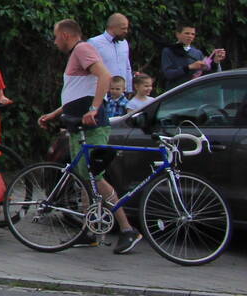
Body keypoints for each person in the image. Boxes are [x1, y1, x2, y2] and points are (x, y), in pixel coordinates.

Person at [37, 19, 140, 253]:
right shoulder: (78, 53)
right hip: (79, 126)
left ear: (65, 35)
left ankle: (127, 229)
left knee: (95, 176)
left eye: (56, 36)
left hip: (92, 126)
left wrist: (94, 109)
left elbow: (105, 76)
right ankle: (88, 230)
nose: (55, 41)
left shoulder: (82, 49)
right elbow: (78, 92)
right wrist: (55, 114)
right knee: (84, 177)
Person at [156, 24, 226, 92]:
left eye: (193, 34)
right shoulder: (168, 51)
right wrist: (189, 67)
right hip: (175, 93)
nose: (190, 36)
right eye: (187, 33)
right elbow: (168, 74)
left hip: (194, 93)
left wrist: (216, 61)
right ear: (178, 34)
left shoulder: (197, 53)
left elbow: (207, 74)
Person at [86, 14, 134, 94]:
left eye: (126, 28)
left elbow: (127, 67)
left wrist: (129, 90)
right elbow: (88, 69)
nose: (126, 31)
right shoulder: (94, 43)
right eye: (123, 28)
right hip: (102, 92)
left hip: (122, 93)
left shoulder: (124, 43)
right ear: (112, 27)